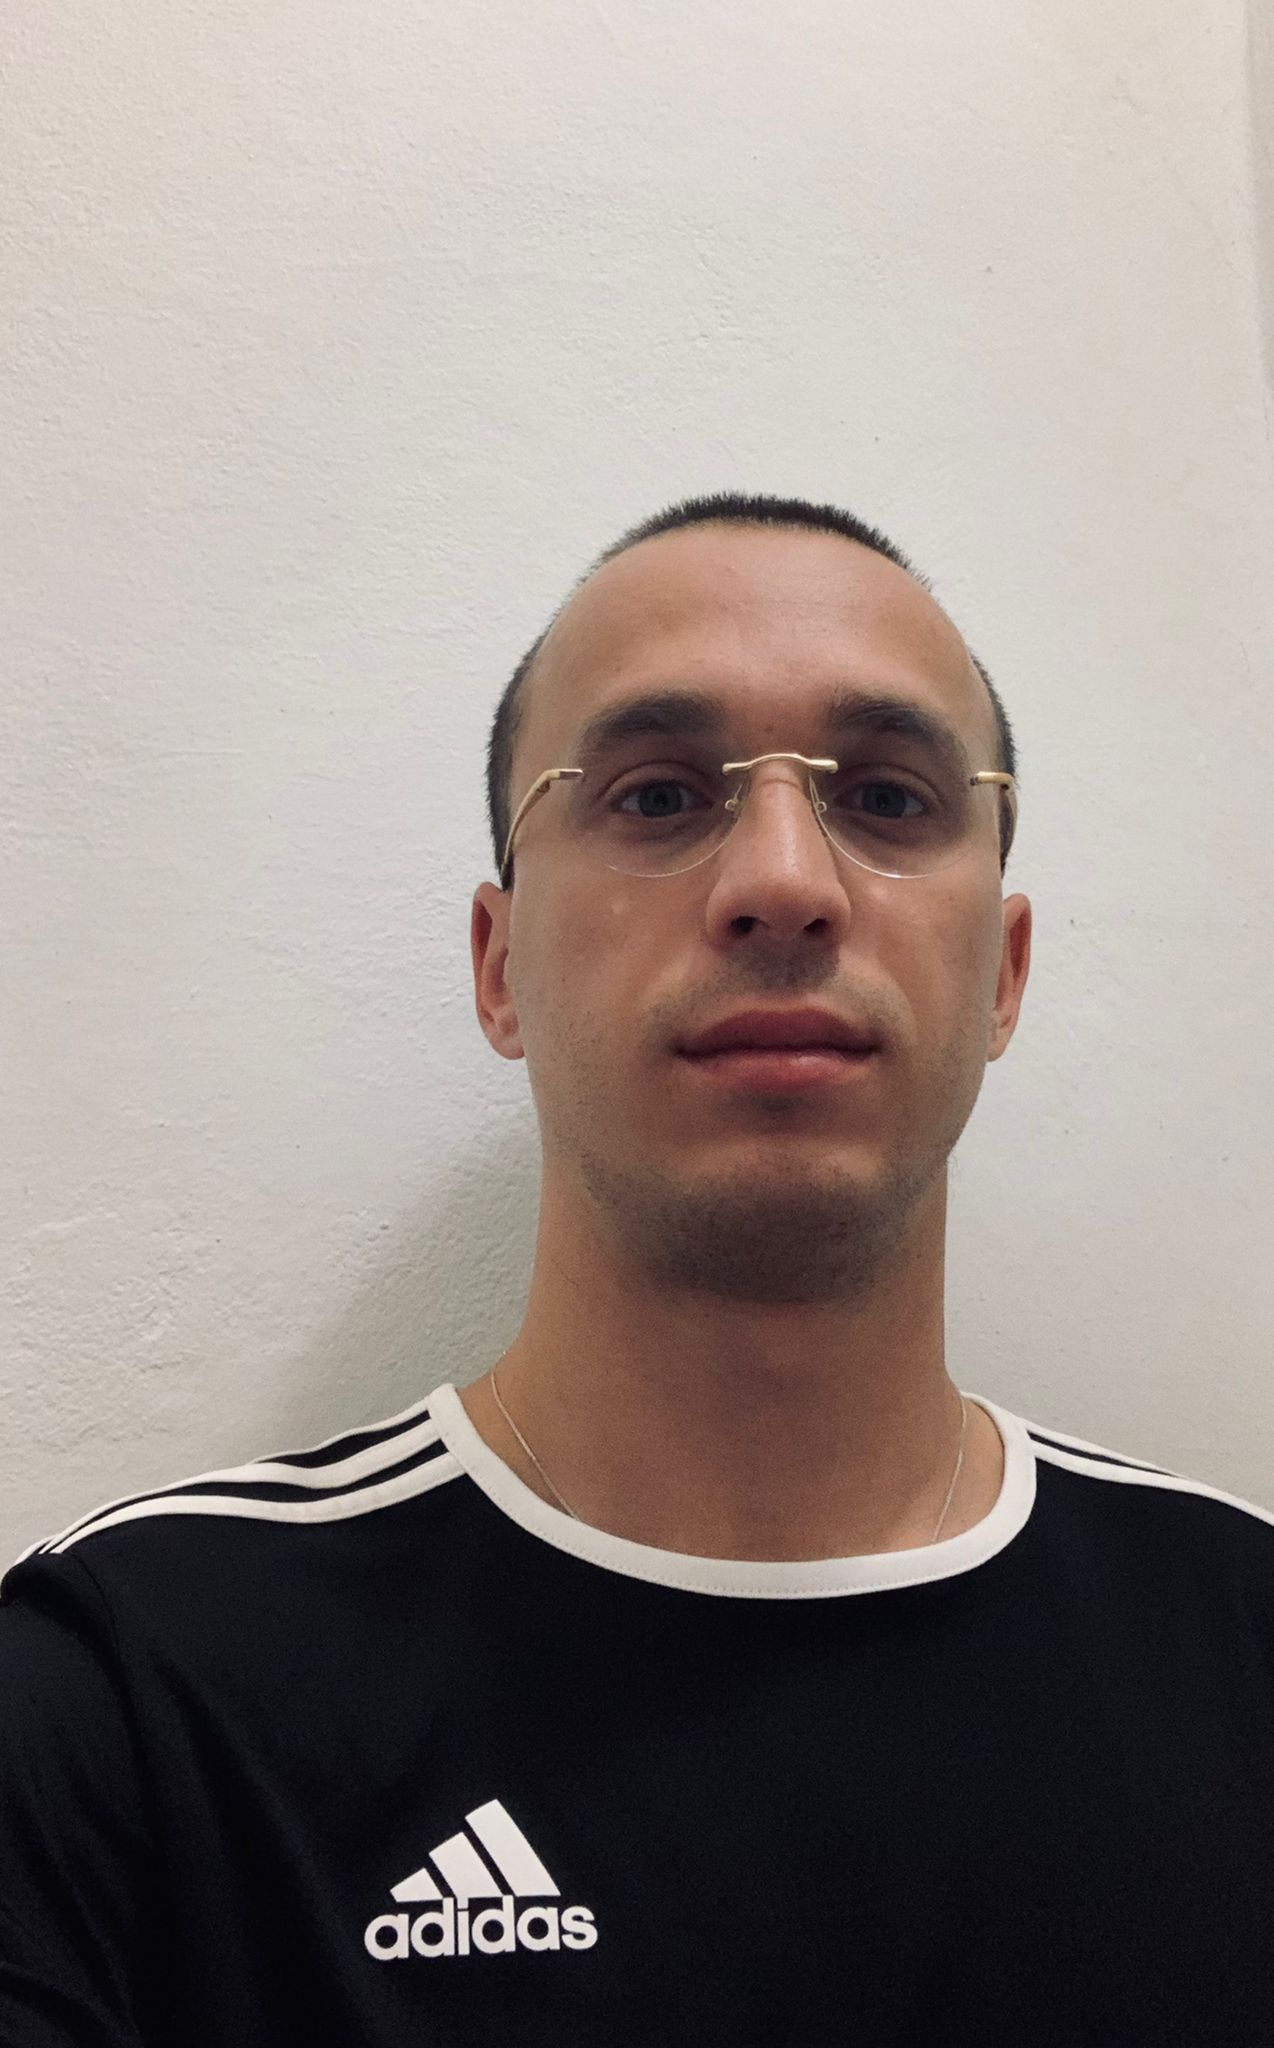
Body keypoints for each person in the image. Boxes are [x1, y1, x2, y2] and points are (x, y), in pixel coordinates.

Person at [3, 492, 1271, 2047]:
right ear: (499, 967)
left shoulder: (1241, 1643)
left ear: (1002, 974)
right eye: (659, 797)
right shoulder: (129, 1699)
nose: (785, 880)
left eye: (886, 797)